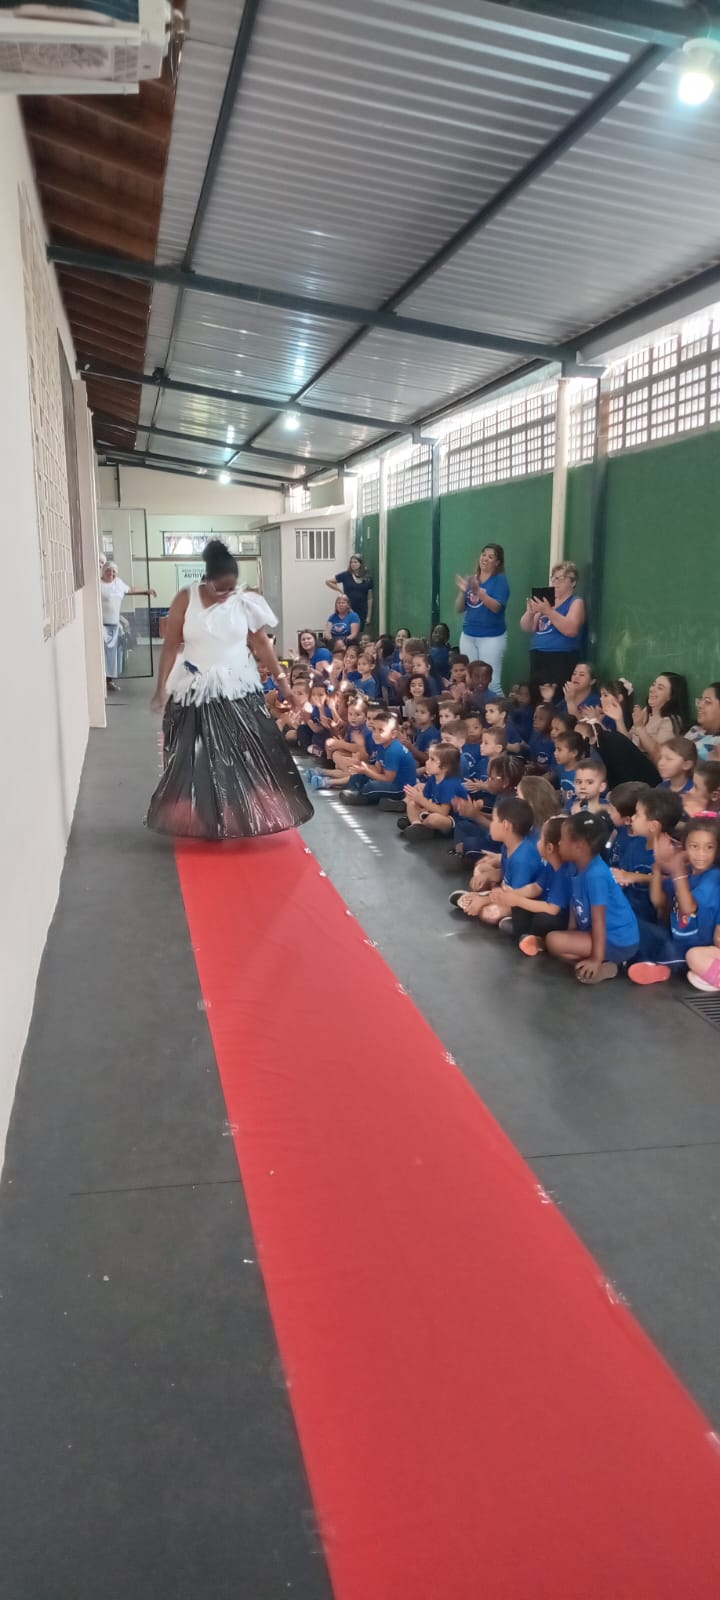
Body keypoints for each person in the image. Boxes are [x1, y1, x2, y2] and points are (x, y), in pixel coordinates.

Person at [146, 540, 313, 841]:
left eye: (231, 588)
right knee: (197, 755)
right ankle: (206, 815)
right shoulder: (186, 599)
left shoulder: (245, 602)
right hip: (195, 689)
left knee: (243, 753)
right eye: (219, 589)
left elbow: (262, 645)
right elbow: (170, 646)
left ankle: (239, 814)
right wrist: (161, 687)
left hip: (237, 689)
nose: (226, 595)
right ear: (206, 579)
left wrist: (284, 684)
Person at [543, 813, 640, 983]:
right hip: (597, 934)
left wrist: (595, 958)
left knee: (553, 941)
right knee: (557, 944)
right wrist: (571, 931)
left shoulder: (595, 876)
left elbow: (599, 920)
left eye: (563, 839)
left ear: (579, 847)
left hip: (618, 940)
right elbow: (575, 901)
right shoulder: (574, 865)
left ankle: (600, 964)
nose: (559, 843)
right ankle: (605, 963)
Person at [628, 818, 720, 985]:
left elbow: (688, 907)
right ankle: (645, 963)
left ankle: (657, 966)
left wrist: (677, 869)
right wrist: (657, 867)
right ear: (685, 848)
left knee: (667, 951)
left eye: (709, 847)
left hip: (691, 947)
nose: (701, 854)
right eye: (694, 846)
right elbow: (658, 901)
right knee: (633, 924)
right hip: (673, 936)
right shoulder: (687, 873)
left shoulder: (713, 877)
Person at [520, 560, 585, 697]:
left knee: (556, 697)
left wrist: (548, 611)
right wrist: (530, 612)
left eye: (561, 578)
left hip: (560, 656)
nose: (555, 582)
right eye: (553, 578)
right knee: (536, 696)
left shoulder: (575, 602)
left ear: (572, 582)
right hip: (538, 654)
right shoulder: (547, 601)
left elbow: (571, 629)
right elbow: (527, 627)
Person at [454, 543, 509, 691]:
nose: (485, 559)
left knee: (491, 683)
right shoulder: (472, 579)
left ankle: (499, 706)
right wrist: (462, 591)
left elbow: (496, 607)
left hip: (491, 637)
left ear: (497, 562)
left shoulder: (500, 581)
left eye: (490, 557)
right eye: (483, 555)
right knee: (470, 681)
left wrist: (479, 591)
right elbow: (459, 608)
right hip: (468, 635)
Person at [100, 560, 156, 692]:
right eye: (108, 570)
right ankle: (99, 681)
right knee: (101, 654)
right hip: (100, 625)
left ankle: (109, 681)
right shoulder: (98, 584)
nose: (111, 573)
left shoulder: (118, 583)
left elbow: (130, 590)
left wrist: (146, 591)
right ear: (103, 571)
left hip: (113, 624)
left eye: (114, 571)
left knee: (112, 656)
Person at [399, 744, 468, 844]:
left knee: (434, 819)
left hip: (453, 819)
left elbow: (443, 812)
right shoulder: (433, 778)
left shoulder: (449, 784)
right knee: (412, 804)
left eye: (432, 759)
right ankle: (417, 825)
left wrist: (420, 800)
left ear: (445, 767)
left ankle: (421, 825)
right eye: (428, 758)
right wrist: (416, 798)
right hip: (435, 811)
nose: (427, 762)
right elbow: (426, 800)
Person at [326, 554, 373, 632]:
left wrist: (369, 616)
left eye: (355, 562)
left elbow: (370, 598)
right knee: (346, 630)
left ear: (361, 563)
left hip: (362, 609)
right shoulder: (346, 575)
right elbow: (328, 581)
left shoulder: (367, 577)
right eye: (351, 562)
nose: (353, 564)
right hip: (348, 609)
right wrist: (340, 591)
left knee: (358, 631)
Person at [687, 683, 720, 762]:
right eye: (700, 700)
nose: (699, 705)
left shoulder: (717, 743)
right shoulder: (694, 730)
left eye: (707, 702)